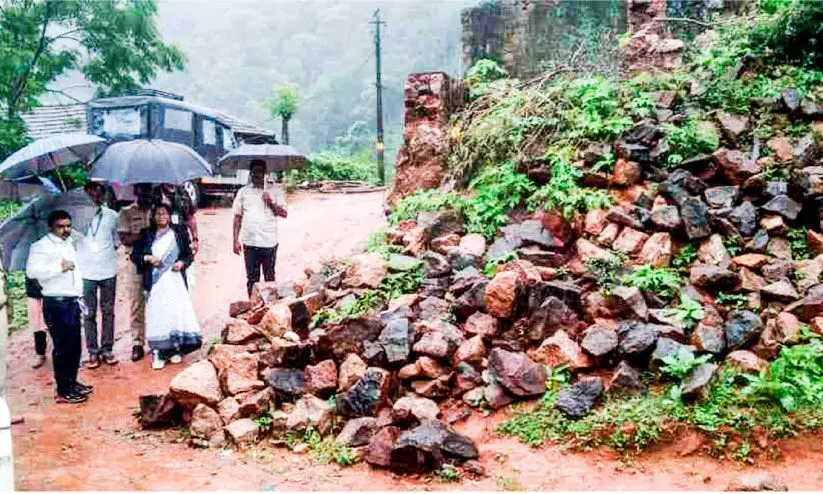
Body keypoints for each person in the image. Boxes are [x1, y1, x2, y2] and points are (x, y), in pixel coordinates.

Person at [26, 210, 92, 404]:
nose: (65, 229)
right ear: (51, 227)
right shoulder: (41, 246)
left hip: (72, 300)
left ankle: (71, 381)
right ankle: (63, 390)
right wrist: (59, 268)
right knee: (62, 346)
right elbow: (32, 271)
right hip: (56, 302)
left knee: (75, 345)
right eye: (60, 226)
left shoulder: (69, 242)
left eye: (68, 225)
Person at [131, 204, 201, 370]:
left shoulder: (179, 232)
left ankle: (174, 349)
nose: (162, 216)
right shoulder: (146, 234)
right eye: (158, 213)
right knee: (158, 315)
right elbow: (136, 255)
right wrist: (148, 258)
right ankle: (159, 352)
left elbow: (188, 255)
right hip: (155, 282)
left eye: (164, 213)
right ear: (153, 217)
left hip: (175, 280)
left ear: (169, 216)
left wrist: (181, 263)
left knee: (174, 313)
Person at [75, 181, 119, 368]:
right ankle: (93, 352)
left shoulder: (112, 216)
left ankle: (107, 349)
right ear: (85, 195)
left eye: (98, 193)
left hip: (108, 270)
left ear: (103, 195)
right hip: (86, 273)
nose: (95, 196)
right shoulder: (76, 218)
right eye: (91, 193)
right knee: (88, 313)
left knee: (108, 312)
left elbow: (117, 241)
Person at [232, 160, 288, 296]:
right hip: (250, 242)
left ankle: (271, 309)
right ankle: (253, 308)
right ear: (250, 174)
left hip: (269, 241)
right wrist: (235, 241)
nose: (257, 175)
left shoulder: (275, 190)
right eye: (254, 172)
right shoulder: (243, 192)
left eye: (260, 172)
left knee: (269, 277)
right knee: (252, 279)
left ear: (265, 173)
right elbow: (237, 217)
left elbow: (284, 214)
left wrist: (271, 202)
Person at [118, 184, 154, 362]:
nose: (146, 193)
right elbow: (125, 239)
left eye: (148, 189)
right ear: (136, 191)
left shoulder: (159, 210)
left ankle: (157, 340)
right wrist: (145, 234)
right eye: (142, 189)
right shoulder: (126, 212)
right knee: (136, 302)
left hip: (155, 262)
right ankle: (137, 343)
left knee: (157, 300)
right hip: (134, 261)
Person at [153, 184, 199, 296]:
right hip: (162, 240)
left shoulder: (183, 192)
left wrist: (195, 239)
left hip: (181, 239)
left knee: (182, 277)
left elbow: (191, 217)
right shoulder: (155, 193)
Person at [26, 276, 48, 369]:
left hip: (53, 290)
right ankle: (40, 353)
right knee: (37, 324)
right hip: (34, 291)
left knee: (57, 324)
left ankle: (62, 354)